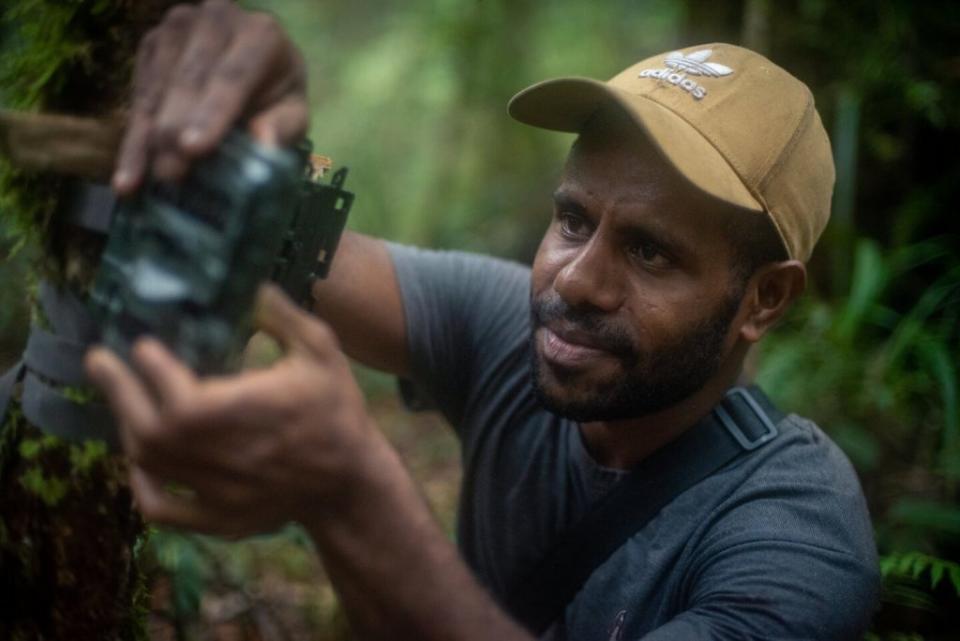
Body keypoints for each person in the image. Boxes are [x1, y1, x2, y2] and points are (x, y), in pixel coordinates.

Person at [86, 1, 880, 639]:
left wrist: (351, 493)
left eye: (650, 254)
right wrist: (234, 106)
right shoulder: (518, 326)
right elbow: (291, 246)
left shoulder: (793, 536)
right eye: (573, 220)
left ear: (764, 298)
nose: (578, 280)